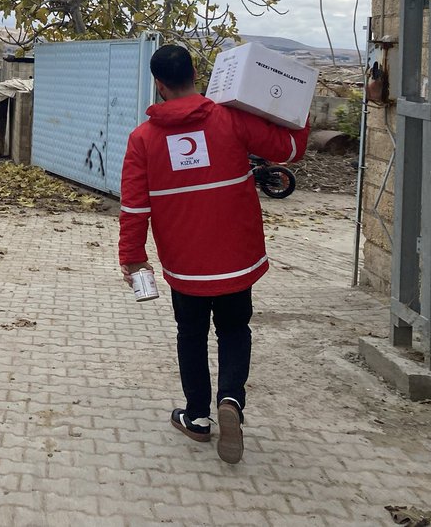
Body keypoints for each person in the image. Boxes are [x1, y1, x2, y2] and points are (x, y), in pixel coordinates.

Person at [118, 44, 309, 464]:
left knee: (190, 335)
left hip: (185, 265)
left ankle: (198, 417)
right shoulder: (231, 119)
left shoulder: (142, 139)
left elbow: (134, 206)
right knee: (235, 330)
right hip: (236, 259)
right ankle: (231, 401)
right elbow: (290, 150)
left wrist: (133, 257)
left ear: (159, 84)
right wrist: (296, 104)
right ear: (195, 74)